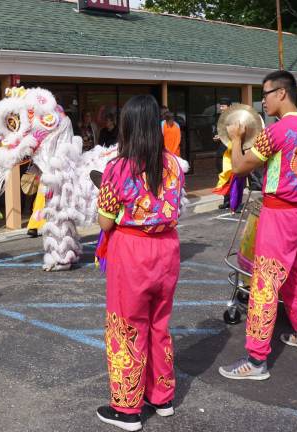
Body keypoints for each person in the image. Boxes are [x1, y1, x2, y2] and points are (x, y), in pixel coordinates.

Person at [218, 71, 297, 380]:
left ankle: (256, 360)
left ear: (281, 93)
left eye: (265, 93)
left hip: (279, 214)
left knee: (265, 282)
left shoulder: (277, 131)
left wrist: (236, 138)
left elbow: (238, 166)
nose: (262, 100)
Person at [95, 95, 185, 431]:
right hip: (167, 249)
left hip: (132, 250)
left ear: (128, 126)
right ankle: (162, 397)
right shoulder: (174, 164)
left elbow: (104, 223)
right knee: (159, 323)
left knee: (127, 326)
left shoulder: (117, 168)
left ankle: (127, 408)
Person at [214, 98, 233, 209]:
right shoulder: (221, 119)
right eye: (220, 106)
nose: (221, 108)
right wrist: (218, 137)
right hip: (222, 150)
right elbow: (221, 133)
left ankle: (234, 202)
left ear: (229, 106)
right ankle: (227, 201)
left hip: (231, 151)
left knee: (232, 178)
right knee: (224, 177)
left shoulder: (234, 118)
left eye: (223, 106)